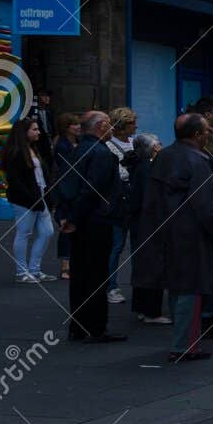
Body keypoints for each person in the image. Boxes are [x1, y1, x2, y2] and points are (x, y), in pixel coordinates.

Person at [132, 114, 213, 363]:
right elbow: (207, 206)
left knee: (178, 285)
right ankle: (185, 344)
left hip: (166, 230)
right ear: (198, 134)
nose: (210, 133)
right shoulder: (197, 161)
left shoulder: (165, 156)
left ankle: (184, 340)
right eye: (207, 130)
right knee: (191, 287)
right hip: (189, 233)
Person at [55, 110, 126, 343]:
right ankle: (96, 326)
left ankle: (79, 325)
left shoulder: (76, 150)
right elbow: (91, 190)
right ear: (99, 126)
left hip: (79, 221)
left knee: (80, 275)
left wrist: (65, 216)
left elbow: (64, 185)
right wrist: (73, 219)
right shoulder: (101, 153)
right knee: (96, 274)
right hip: (95, 221)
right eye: (108, 124)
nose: (112, 128)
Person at [3, 116, 56, 284]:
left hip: (39, 196)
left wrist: (45, 197)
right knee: (24, 233)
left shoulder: (33, 149)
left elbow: (41, 175)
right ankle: (22, 271)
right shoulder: (16, 152)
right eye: (34, 129)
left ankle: (34, 269)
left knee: (48, 232)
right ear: (23, 132)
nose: (38, 132)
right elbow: (15, 180)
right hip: (24, 199)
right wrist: (31, 199)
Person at [126, 133, 167, 324]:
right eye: (159, 143)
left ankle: (142, 307)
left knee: (142, 266)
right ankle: (152, 311)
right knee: (153, 266)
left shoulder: (138, 166)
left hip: (138, 222)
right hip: (150, 223)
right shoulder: (150, 168)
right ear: (154, 148)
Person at [103, 107, 137, 304]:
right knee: (116, 245)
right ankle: (111, 286)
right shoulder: (109, 146)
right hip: (120, 200)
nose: (136, 126)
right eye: (133, 123)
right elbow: (117, 174)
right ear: (123, 127)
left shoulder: (136, 142)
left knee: (138, 244)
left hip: (135, 198)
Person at [52, 112, 81, 280]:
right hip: (65, 191)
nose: (78, 127)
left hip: (73, 190)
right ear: (66, 128)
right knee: (66, 227)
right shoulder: (62, 146)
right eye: (74, 125)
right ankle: (65, 265)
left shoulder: (77, 143)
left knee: (72, 227)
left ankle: (71, 263)